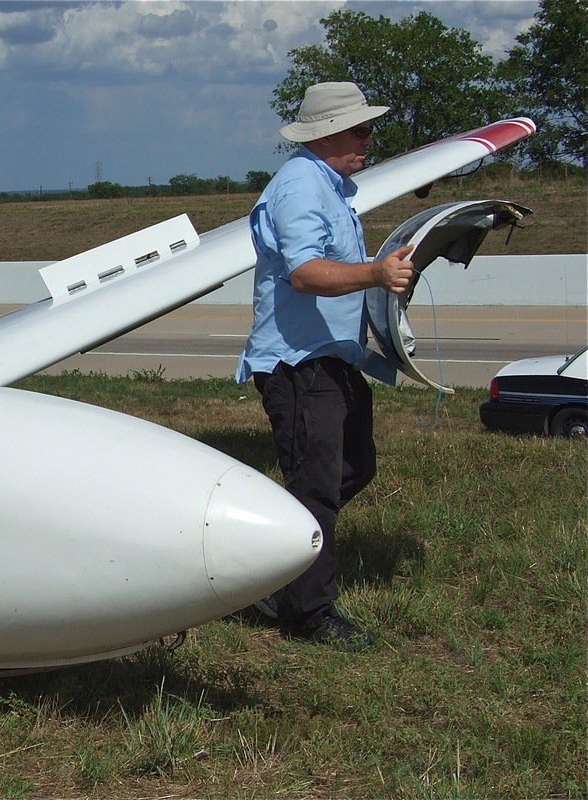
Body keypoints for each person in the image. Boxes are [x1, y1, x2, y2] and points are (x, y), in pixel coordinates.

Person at [236, 82, 415, 651]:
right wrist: (375, 274)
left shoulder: (331, 188)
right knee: (315, 491)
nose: (369, 140)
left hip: (332, 358)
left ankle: (262, 559)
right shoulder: (298, 188)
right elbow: (306, 273)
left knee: (354, 468)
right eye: (361, 130)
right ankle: (308, 616)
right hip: (297, 364)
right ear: (327, 134)